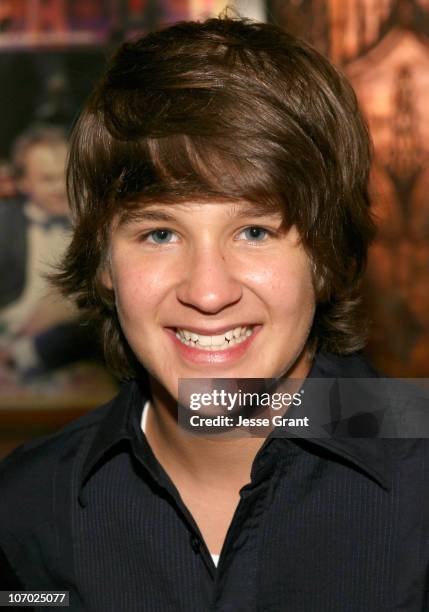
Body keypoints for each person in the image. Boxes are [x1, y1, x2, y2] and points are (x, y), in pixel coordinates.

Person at [0, 16, 428, 611]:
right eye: (158, 234)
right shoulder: (24, 509)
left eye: (254, 231)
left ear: (327, 256)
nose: (206, 292)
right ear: (103, 263)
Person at [0, 125, 98, 378]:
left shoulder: (95, 225)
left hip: (70, 350)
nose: (60, 188)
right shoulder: (5, 223)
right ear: (22, 182)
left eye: (66, 176)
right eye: (47, 179)